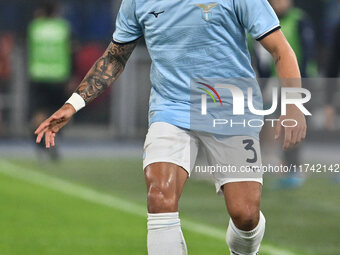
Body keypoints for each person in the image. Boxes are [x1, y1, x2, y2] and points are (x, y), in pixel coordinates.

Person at [34, 0, 307, 254]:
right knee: (159, 196)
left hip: (232, 110)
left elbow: (280, 48)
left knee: (245, 214)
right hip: (171, 108)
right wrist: (73, 103)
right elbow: (115, 57)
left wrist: (293, 105)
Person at [252, 0, 316, 189]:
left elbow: (306, 53)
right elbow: (259, 56)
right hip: (273, 82)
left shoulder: (299, 20)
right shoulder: (260, 21)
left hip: (299, 82)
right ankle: (272, 163)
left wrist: (299, 87)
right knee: (268, 122)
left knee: (293, 124)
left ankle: (293, 169)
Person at [28, 1, 71, 161]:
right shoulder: (62, 27)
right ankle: (52, 141)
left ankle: (39, 143)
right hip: (59, 75)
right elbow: (70, 51)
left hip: (38, 74)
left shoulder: (35, 27)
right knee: (59, 112)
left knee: (39, 111)